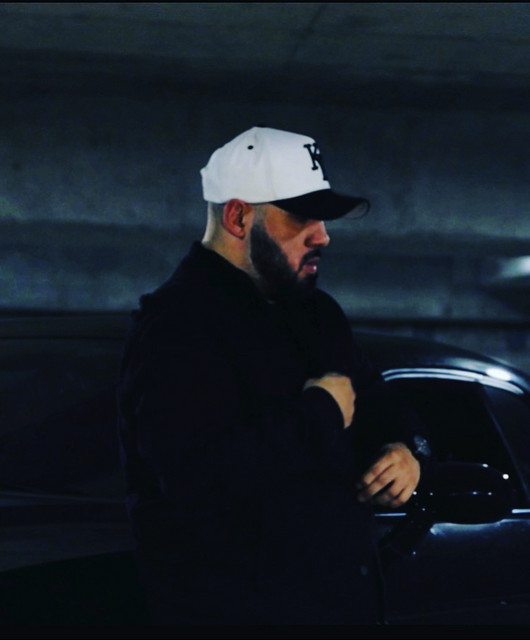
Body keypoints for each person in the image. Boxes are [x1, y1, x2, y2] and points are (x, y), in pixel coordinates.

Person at [117, 126, 431, 625]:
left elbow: (377, 400)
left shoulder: (316, 313)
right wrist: (319, 412)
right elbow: (192, 478)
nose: (323, 235)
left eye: (323, 219)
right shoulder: (178, 325)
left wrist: (404, 449)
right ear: (238, 217)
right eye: (301, 216)